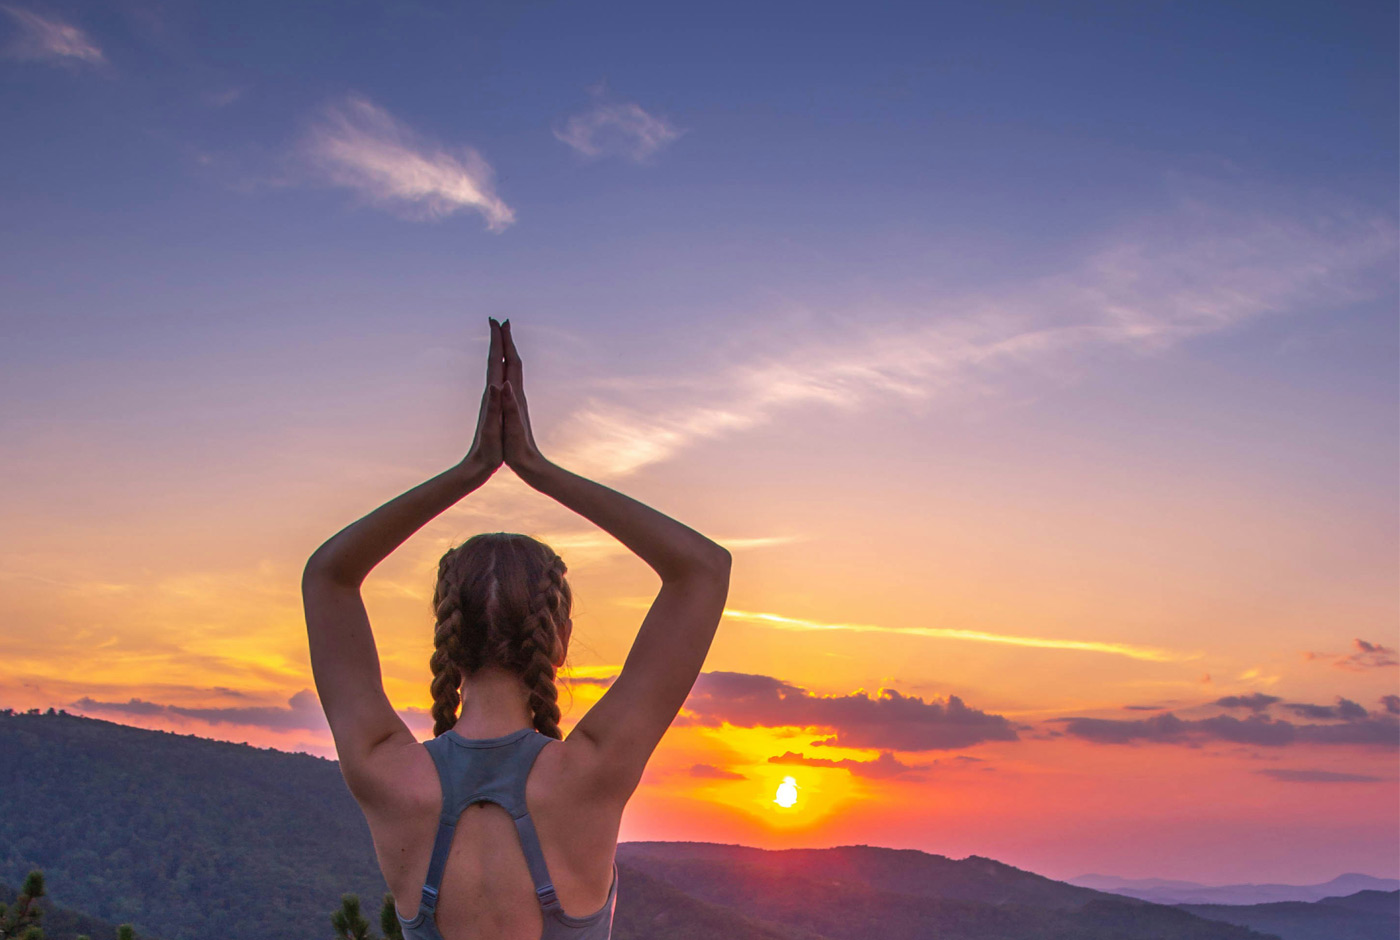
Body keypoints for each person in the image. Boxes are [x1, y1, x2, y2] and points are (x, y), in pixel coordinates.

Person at [302, 318, 731, 940]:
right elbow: (702, 570)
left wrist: (471, 468)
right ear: (557, 640)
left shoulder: (388, 773)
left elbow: (327, 579)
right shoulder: (588, 774)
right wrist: (534, 465)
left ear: (445, 637)